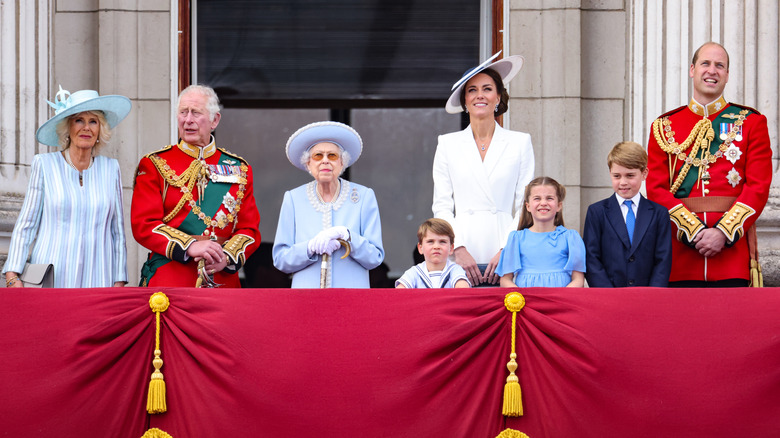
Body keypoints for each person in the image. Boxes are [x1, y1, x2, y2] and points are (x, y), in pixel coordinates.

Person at [645, 42, 772, 287]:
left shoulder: (751, 123)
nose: (712, 70)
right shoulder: (663, 126)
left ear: (727, 75)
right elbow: (656, 190)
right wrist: (695, 233)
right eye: (705, 63)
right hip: (680, 259)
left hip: (731, 258)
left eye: (719, 66)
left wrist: (723, 233)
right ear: (692, 70)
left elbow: (758, 187)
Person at [131, 85, 261, 287]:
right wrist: (190, 246)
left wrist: (226, 258)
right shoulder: (154, 163)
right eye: (183, 112)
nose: (188, 120)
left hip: (221, 279)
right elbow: (144, 224)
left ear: (214, 120)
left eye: (196, 113)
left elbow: (249, 229)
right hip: (170, 277)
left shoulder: (239, 168)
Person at [3, 87, 130, 288]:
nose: (86, 127)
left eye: (93, 121)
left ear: (100, 130)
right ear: (68, 127)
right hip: (51, 279)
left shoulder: (110, 169)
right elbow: (27, 224)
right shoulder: (44, 165)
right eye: (79, 120)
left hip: (98, 280)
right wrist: (13, 275)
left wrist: (119, 281)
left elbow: (117, 233)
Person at [433, 51, 535, 286]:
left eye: (487, 89)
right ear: (465, 101)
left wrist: (506, 249)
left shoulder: (520, 142)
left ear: (498, 96)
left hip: (503, 250)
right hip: (460, 253)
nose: (480, 95)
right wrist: (457, 247)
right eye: (472, 90)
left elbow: (525, 204)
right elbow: (442, 204)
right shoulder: (447, 144)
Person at [272, 121, 384, 288]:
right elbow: (281, 260)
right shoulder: (293, 198)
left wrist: (348, 236)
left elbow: (375, 258)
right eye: (318, 156)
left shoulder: (364, 196)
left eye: (332, 156)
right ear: (308, 163)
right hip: (306, 298)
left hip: (351, 298)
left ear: (342, 163)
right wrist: (309, 247)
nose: (325, 161)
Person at [583, 141, 672, 287]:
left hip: (648, 297)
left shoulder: (659, 213)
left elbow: (663, 258)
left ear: (644, 174)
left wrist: (653, 294)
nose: (623, 182)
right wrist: (608, 294)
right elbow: (591, 258)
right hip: (609, 296)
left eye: (630, 175)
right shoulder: (597, 212)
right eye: (617, 176)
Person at [496, 177, 585, 288]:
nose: (543, 203)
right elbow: (505, 280)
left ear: (559, 206)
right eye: (537, 198)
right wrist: (521, 298)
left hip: (561, 301)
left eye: (549, 198)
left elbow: (578, 279)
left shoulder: (571, 238)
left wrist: (561, 298)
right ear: (528, 206)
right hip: (526, 301)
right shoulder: (516, 238)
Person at [395, 218, 470, 289]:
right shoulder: (414, 272)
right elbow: (399, 293)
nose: (436, 246)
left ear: (451, 248)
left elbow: (462, 290)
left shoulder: (455, 270)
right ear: (420, 248)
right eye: (430, 241)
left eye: (442, 242)